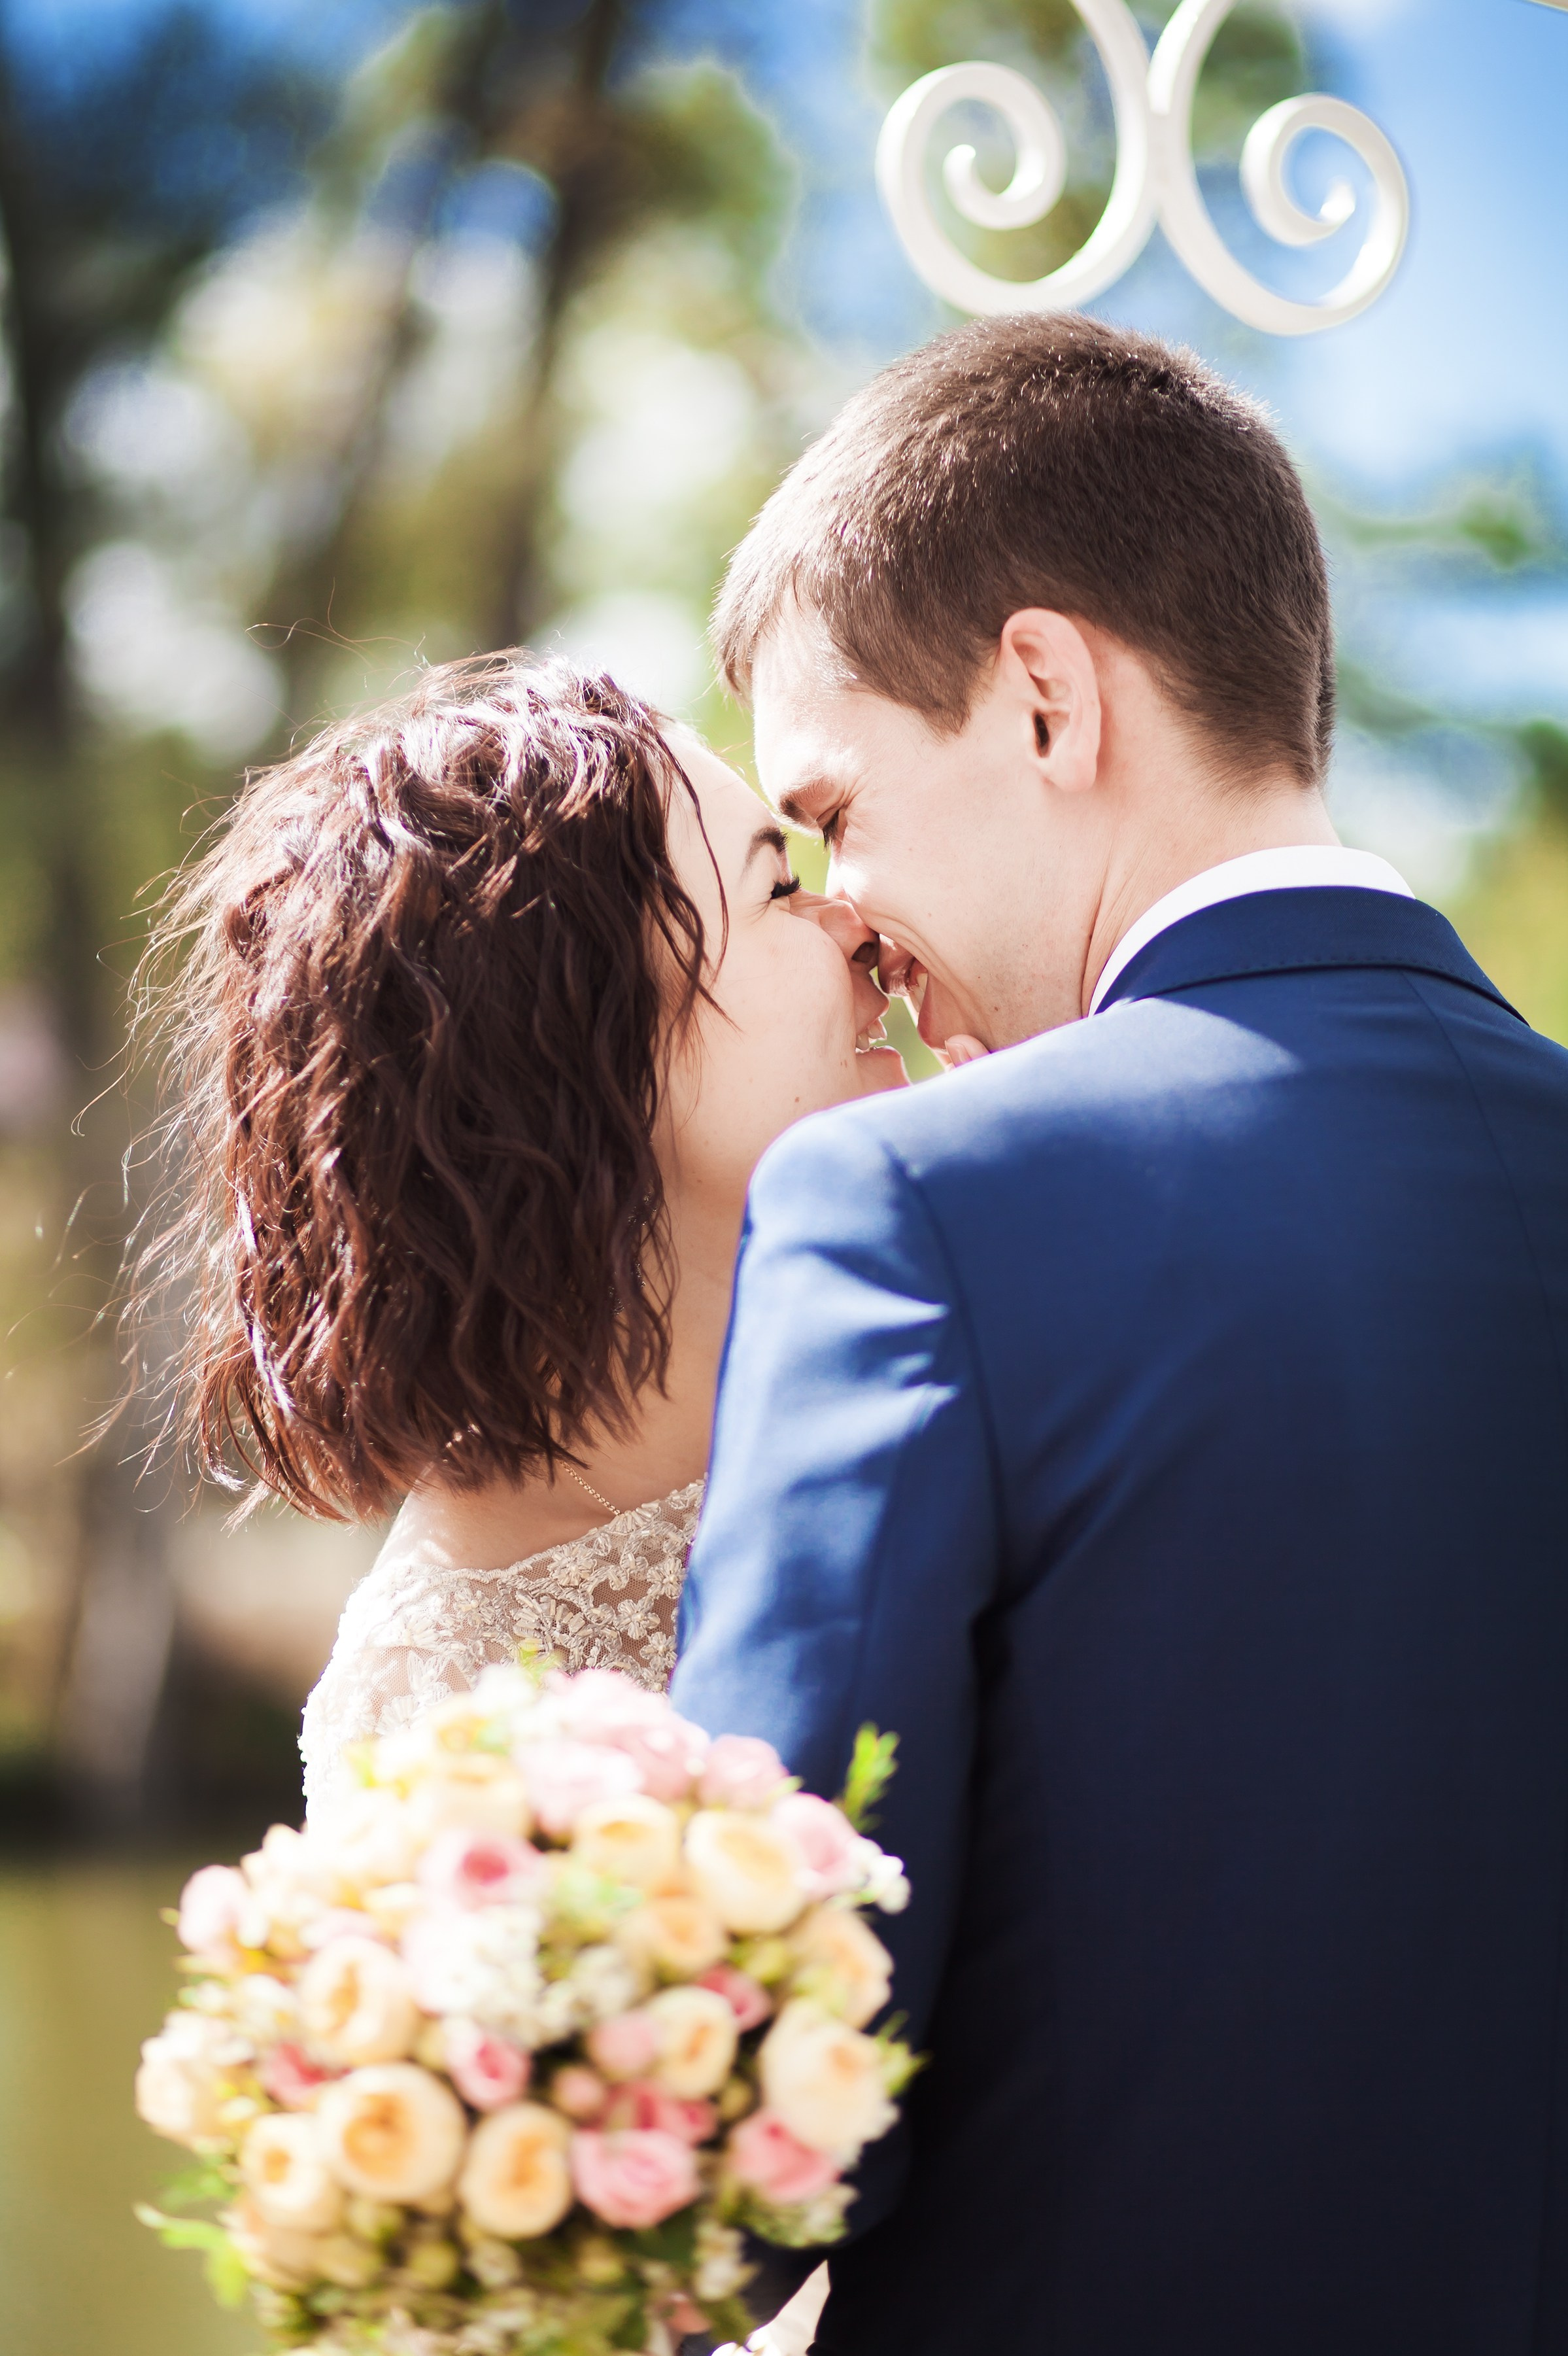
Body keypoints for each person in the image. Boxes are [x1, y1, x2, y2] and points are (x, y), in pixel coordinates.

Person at [672, 313, 1568, 2355]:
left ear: (1046, 697)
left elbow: (748, 2121)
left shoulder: (910, 1214)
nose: (849, 911)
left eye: (835, 810)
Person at [122, 655, 899, 1819]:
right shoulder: (456, 1723)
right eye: (778, 889)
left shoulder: (933, 1367)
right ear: (588, 1045)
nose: (861, 928)